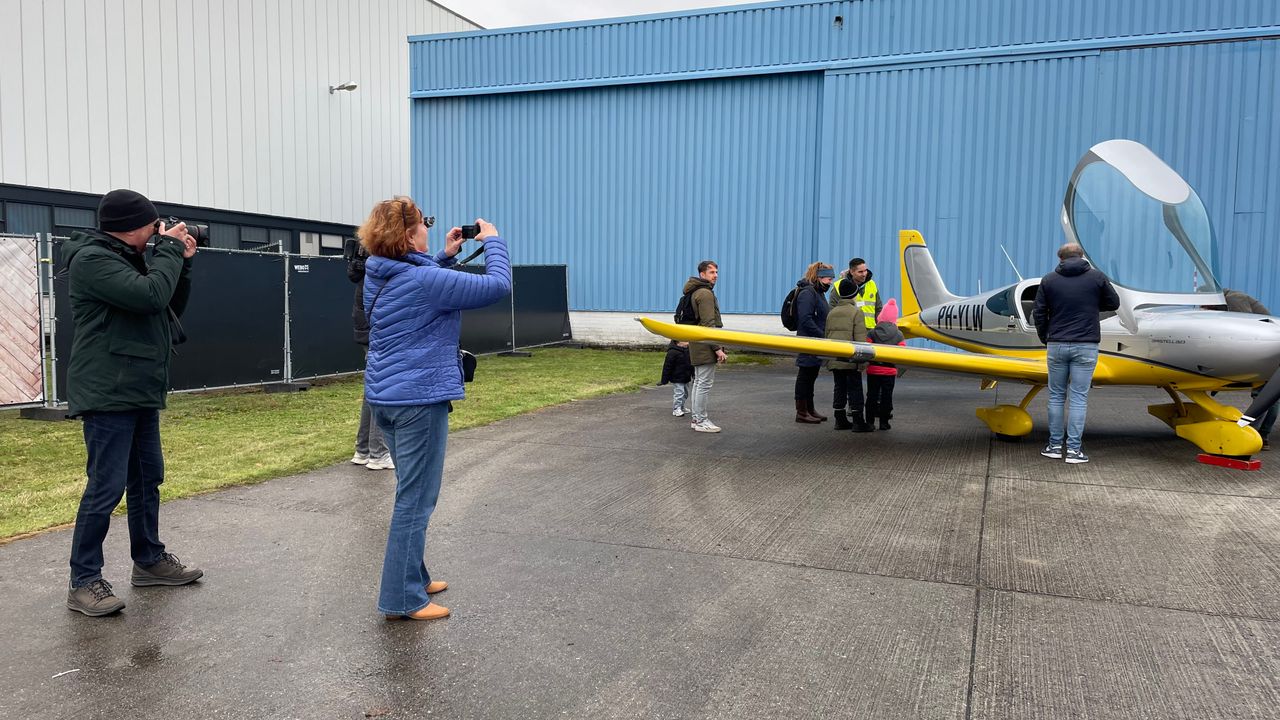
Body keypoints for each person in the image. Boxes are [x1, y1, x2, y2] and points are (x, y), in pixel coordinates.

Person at [362, 197, 510, 621]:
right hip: (418, 400)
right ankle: (402, 599)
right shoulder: (423, 280)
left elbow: (421, 289)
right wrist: (494, 242)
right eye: (424, 223)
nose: (429, 226)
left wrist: (445, 255)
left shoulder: (383, 272)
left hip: (387, 398)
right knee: (416, 499)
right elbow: (497, 286)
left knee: (411, 491)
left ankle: (414, 576)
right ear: (409, 235)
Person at [63, 189, 203, 617]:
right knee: (106, 486)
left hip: (138, 385)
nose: (161, 230)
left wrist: (181, 262)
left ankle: (149, 561)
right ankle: (84, 580)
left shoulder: (133, 258)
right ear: (136, 226)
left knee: (148, 479)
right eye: (155, 225)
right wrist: (169, 250)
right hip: (108, 389)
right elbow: (148, 297)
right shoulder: (92, 260)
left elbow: (166, 307)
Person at [1031, 243, 1120, 464]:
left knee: (1056, 395)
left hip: (1057, 344)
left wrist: (1046, 337)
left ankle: (1053, 446)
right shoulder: (1097, 277)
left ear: (1060, 258)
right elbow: (1114, 302)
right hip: (1086, 344)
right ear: (1081, 256)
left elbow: (1039, 312)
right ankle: (1073, 451)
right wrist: (1090, 305)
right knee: (1079, 398)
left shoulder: (1049, 279)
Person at [345, 238, 393, 471]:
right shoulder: (380, 267)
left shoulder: (368, 266)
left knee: (372, 388)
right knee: (381, 388)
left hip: (366, 330)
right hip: (376, 332)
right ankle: (378, 452)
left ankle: (363, 449)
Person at [1213, 289, 1277, 449]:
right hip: (1268, 350)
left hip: (1264, 352)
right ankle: (1263, 436)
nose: (1203, 309)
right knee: (1270, 396)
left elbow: (1243, 330)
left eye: (1204, 305)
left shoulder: (1234, 299)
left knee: (1263, 395)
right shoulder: (1231, 299)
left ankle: (1252, 433)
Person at [823, 273, 872, 431]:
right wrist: (863, 361)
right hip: (851, 360)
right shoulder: (856, 312)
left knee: (839, 387)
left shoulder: (832, 312)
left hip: (836, 358)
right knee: (855, 388)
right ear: (854, 294)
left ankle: (839, 418)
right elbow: (860, 340)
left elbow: (827, 336)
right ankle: (858, 421)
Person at [685, 260, 727, 433]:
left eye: (716, 272)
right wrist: (717, 348)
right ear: (702, 274)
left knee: (698, 382)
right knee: (703, 383)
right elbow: (708, 325)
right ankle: (701, 420)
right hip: (705, 344)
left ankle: (697, 419)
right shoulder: (705, 294)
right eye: (711, 272)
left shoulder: (694, 291)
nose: (715, 275)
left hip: (697, 342)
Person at [794, 263, 835, 423]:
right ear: (818, 277)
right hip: (809, 342)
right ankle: (802, 412)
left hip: (816, 342)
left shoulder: (818, 292)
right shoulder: (808, 293)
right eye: (828, 278)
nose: (830, 282)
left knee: (811, 376)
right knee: (805, 376)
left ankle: (809, 409)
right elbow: (805, 319)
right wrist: (821, 336)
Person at [865, 299, 906, 430]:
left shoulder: (872, 332)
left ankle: (870, 422)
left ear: (881, 316)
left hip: (873, 370)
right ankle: (884, 422)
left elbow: (867, 349)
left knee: (871, 396)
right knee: (886, 397)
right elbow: (902, 353)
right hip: (889, 372)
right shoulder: (899, 335)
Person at [830, 257, 882, 331]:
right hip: (849, 331)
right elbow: (832, 311)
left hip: (870, 332)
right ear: (851, 272)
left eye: (865, 271)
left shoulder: (872, 284)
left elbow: (878, 309)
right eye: (860, 272)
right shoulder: (838, 286)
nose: (864, 274)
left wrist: (880, 329)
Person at [659, 341, 694, 416]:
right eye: (685, 341)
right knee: (679, 393)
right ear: (678, 342)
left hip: (686, 377)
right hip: (677, 377)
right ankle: (676, 408)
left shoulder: (688, 351)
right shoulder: (672, 352)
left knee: (685, 393)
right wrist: (664, 380)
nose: (688, 342)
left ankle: (682, 407)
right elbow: (667, 366)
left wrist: (693, 374)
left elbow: (691, 364)